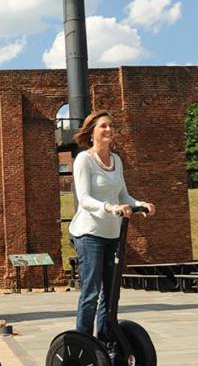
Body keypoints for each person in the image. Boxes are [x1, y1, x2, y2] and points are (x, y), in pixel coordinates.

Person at [69, 110, 156, 340]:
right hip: (89, 234)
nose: (109, 129)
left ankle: (105, 342)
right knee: (91, 293)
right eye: (103, 126)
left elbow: (123, 195)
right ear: (92, 133)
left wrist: (140, 204)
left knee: (111, 294)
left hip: (112, 234)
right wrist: (110, 207)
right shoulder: (84, 159)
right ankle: (84, 344)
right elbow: (84, 199)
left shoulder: (116, 160)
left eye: (111, 125)